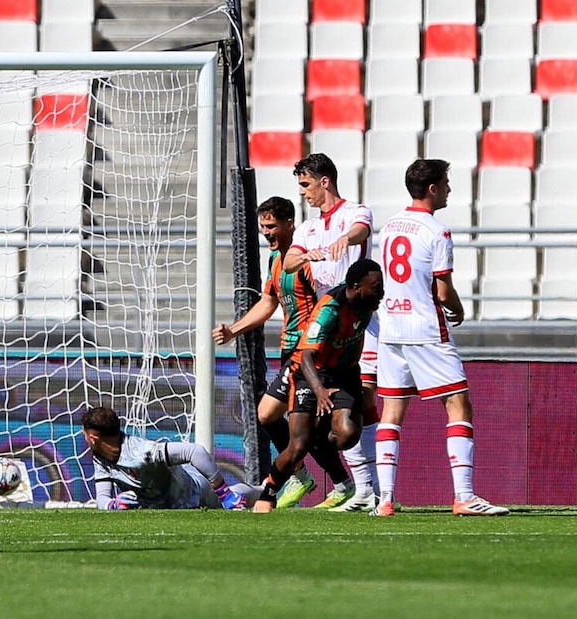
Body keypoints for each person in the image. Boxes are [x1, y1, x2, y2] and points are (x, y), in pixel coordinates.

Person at [374, 159, 508, 517]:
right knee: (458, 404)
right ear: (432, 188)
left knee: (391, 411)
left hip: (390, 329)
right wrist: (460, 310)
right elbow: (443, 291)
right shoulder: (437, 230)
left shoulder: (388, 227)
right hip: (425, 329)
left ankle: (384, 499)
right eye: (446, 183)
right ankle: (464, 496)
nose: (449, 189)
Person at [212, 197, 353, 510]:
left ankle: (305, 477)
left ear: (291, 224)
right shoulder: (276, 259)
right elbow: (268, 302)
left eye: (272, 226)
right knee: (298, 429)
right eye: (263, 227)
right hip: (290, 350)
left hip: (306, 353)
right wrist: (234, 330)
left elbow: (325, 302)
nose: (267, 233)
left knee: (270, 415)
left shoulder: (304, 261)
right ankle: (334, 481)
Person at [281, 153, 381, 512]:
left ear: (325, 181)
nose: (303, 193)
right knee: (347, 409)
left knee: (365, 401)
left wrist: (346, 241)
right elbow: (290, 260)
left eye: (306, 184)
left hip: (361, 319)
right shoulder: (308, 229)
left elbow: (361, 231)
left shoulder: (355, 212)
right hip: (328, 321)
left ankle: (372, 490)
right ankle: (366, 490)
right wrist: (310, 256)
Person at [254, 259, 385, 514]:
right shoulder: (329, 310)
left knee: (347, 434)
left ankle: (317, 442)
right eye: (376, 287)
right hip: (309, 374)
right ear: (357, 287)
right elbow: (305, 357)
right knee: (296, 447)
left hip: (345, 375)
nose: (381, 292)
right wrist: (320, 392)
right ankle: (269, 492)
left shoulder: (367, 304)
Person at [82, 406, 259, 510]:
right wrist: (113, 504)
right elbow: (102, 497)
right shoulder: (100, 458)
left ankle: (264, 491)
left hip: (193, 491)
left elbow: (195, 452)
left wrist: (225, 494)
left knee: (234, 498)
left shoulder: (142, 453)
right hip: (164, 502)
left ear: (92, 438)